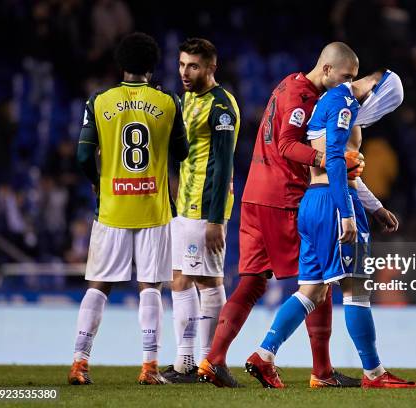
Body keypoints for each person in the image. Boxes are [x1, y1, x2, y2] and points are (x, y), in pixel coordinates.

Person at [198, 42, 366, 388]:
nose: (348, 86)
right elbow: (287, 144)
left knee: (252, 281)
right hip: (282, 198)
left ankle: (213, 360)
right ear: (327, 70)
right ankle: (321, 372)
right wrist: (327, 159)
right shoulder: (303, 98)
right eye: (346, 78)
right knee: (319, 281)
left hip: (255, 196)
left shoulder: (288, 83)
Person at [244, 70, 416, 389]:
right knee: (356, 291)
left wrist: (376, 207)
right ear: (374, 90)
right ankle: (374, 374)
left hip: (313, 202)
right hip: (335, 204)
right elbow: (337, 160)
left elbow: (339, 165)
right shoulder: (345, 104)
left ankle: (263, 355)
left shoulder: (327, 104)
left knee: (311, 290)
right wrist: (348, 212)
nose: (379, 113)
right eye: (383, 105)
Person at [67, 32, 188, 385]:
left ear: (120, 63)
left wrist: (98, 180)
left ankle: (79, 363)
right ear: (153, 65)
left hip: (113, 207)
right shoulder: (168, 102)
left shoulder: (99, 101)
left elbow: (83, 155)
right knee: (151, 286)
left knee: (98, 285)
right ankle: (149, 367)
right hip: (153, 208)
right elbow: (180, 153)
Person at [161, 38, 240, 383]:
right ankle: (200, 362)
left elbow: (223, 166)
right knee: (187, 280)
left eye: (193, 66)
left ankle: (199, 362)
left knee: (198, 282)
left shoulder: (221, 107)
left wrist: (214, 220)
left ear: (211, 67)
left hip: (204, 207)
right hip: (185, 204)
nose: (185, 72)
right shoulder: (186, 99)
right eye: (181, 65)